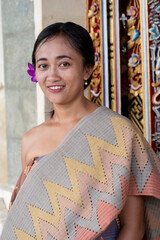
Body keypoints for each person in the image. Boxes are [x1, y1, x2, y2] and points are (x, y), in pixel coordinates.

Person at [1, 22, 160, 240]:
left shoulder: (119, 133)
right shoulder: (31, 141)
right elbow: (32, 222)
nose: (52, 76)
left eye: (64, 64)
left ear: (87, 69)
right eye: (43, 66)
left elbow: (134, 226)